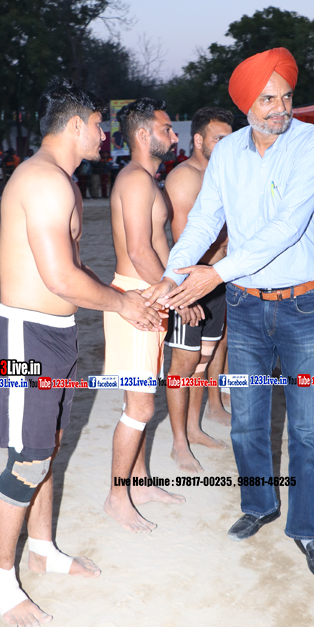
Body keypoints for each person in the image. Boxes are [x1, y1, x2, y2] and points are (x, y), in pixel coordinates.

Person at [142, 47, 314, 581]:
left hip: (302, 302)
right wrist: (175, 275)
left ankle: (308, 530)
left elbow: (287, 227)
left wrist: (215, 274)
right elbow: (206, 219)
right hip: (246, 305)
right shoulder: (227, 151)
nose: (281, 108)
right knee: (247, 417)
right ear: (247, 103)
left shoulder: (311, 143)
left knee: (308, 426)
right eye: (268, 99)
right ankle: (259, 504)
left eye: (287, 96)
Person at [0, 77, 164, 627]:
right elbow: (59, 277)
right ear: (77, 124)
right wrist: (123, 303)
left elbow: (73, 268)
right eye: (99, 125)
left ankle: (42, 551)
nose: (105, 135)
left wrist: (122, 297)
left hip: (55, 334)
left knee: (49, 449)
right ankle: (0, 581)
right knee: (27, 463)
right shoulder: (43, 180)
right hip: (24, 337)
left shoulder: (61, 181)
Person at [103, 98, 202, 533]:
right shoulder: (136, 180)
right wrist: (176, 296)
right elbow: (140, 250)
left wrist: (176, 289)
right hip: (136, 298)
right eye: (167, 129)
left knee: (141, 399)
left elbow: (161, 247)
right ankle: (116, 497)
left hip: (151, 295)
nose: (175, 135)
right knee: (141, 406)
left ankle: (139, 484)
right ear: (143, 135)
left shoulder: (146, 179)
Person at [164, 106, 234, 473]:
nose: (226, 145)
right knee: (183, 364)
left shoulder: (222, 174)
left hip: (218, 278)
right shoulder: (184, 178)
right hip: (190, 283)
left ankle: (194, 427)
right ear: (198, 140)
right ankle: (179, 443)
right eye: (218, 139)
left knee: (204, 359)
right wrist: (184, 294)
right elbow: (184, 242)